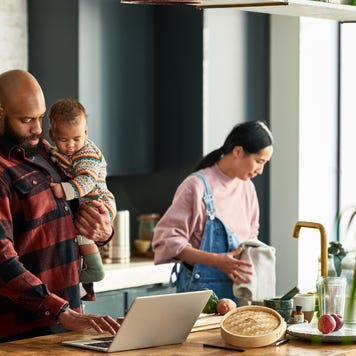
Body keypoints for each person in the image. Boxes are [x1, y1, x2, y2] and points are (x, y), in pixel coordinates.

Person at [0, 69, 120, 342]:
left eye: (40, 118)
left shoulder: (42, 151)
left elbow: (73, 212)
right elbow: (1, 259)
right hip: (22, 331)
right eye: (26, 120)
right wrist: (58, 309)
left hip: (68, 318)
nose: (38, 129)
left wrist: (102, 231)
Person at [152, 120, 274, 303]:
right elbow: (167, 242)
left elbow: (251, 237)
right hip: (198, 298)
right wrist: (217, 260)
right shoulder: (196, 186)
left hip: (236, 298)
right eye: (259, 161)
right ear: (238, 151)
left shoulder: (247, 189)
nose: (261, 170)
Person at [47, 98, 116, 286]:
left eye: (77, 138)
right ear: (52, 135)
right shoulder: (61, 151)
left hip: (99, 201)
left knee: (82, 230)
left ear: (85, 132)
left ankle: (95, 270)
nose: (70, 145)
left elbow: (86, 181)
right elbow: (54, 155)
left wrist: (63, 190)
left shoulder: (87, 153)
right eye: (63, 139)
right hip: (86, 201)